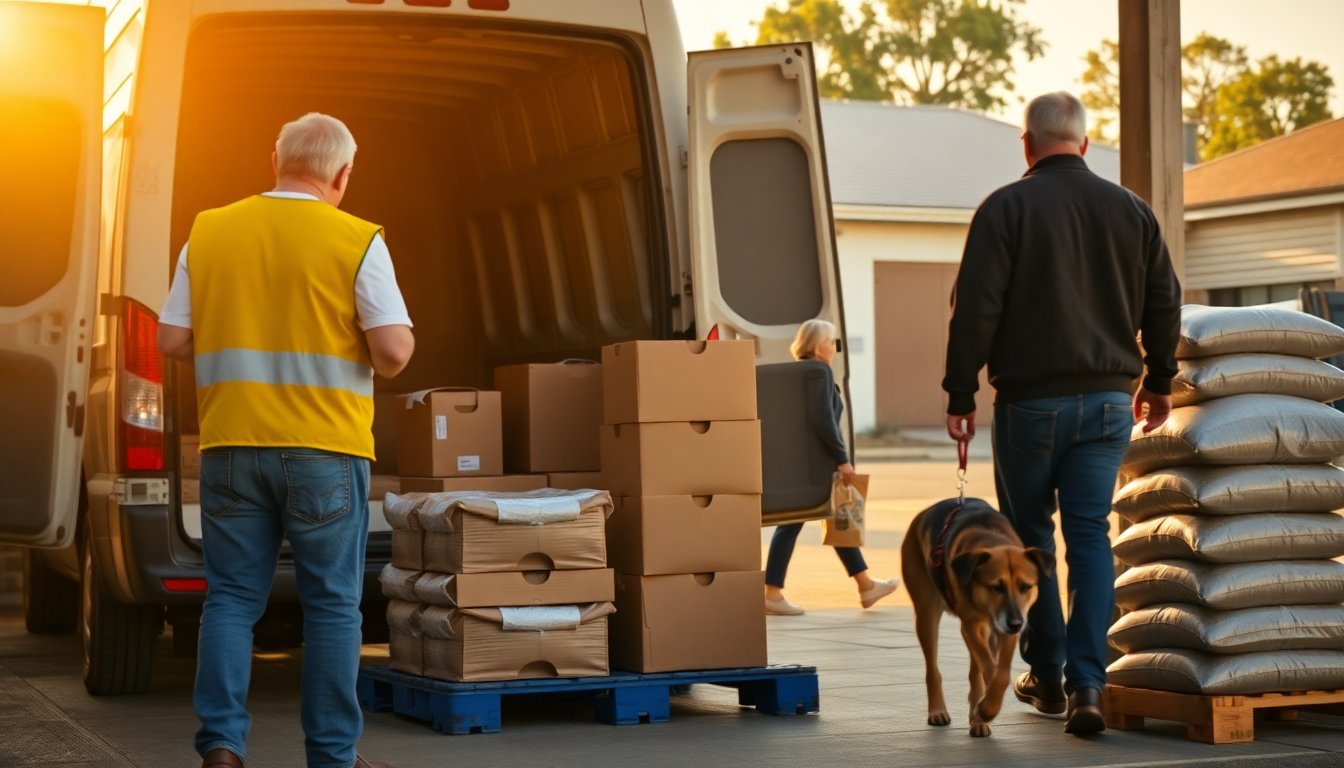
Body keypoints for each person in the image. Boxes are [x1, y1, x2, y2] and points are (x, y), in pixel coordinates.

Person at [158, 112, 414, 768]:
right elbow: (391, 353)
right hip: (325, 452)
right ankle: (332, 758)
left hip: (231, 446)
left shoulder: (209, 230)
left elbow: (171, 341)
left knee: (233, 599)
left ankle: (220, 747)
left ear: (274, 157)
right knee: (330, 605)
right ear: (343, 174)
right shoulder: (357, 239)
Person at [942, 92, 1181, 735]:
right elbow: (1165, 302)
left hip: (1029, 406)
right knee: (1089, 539)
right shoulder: (1133, 211)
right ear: (1083, 140)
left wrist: (960, 394)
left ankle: (1045, 675)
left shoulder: (1005, 208)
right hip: (1109, 404)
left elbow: (975, 311)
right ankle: (1089, 686)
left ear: (1027, 144)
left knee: (1028, 543)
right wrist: (1158, 381)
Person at [764, 319, 900, 616]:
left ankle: (866, 586)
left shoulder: (799, 372)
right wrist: (842, 458)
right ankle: (772, 593)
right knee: (793, 524)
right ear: (815, 345)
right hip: (815, 464)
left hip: (802, 463)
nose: (834, 347)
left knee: (837, 517)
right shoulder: (818, 372)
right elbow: (823, 421)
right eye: (830, 341)